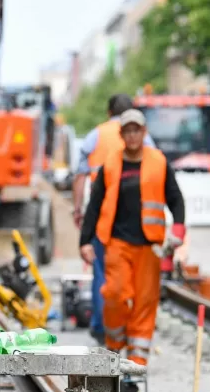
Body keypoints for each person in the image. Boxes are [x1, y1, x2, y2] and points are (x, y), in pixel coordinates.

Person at [79, 109, 185, 366]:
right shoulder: (111, 164)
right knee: (114, 294)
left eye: (137, 130)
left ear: (144, 132)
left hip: (150, 247)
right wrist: (85, 240)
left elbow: (176, 199)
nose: (133, 135)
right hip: (117, 243)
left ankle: (135, 365)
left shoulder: (159, 162)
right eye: (128, 130)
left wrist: (178, 231)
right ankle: (114, 346)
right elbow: (95, 204)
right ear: (122, 134)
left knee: (144, 304)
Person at [72, 94, 155, 344]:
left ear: (109, 113)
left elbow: (80, 175)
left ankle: (102, 328)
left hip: (103, 215)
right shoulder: (144, 137)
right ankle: (131, 327)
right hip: (137, 218)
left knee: (102, 273)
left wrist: (78, 209)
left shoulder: (95, 136)